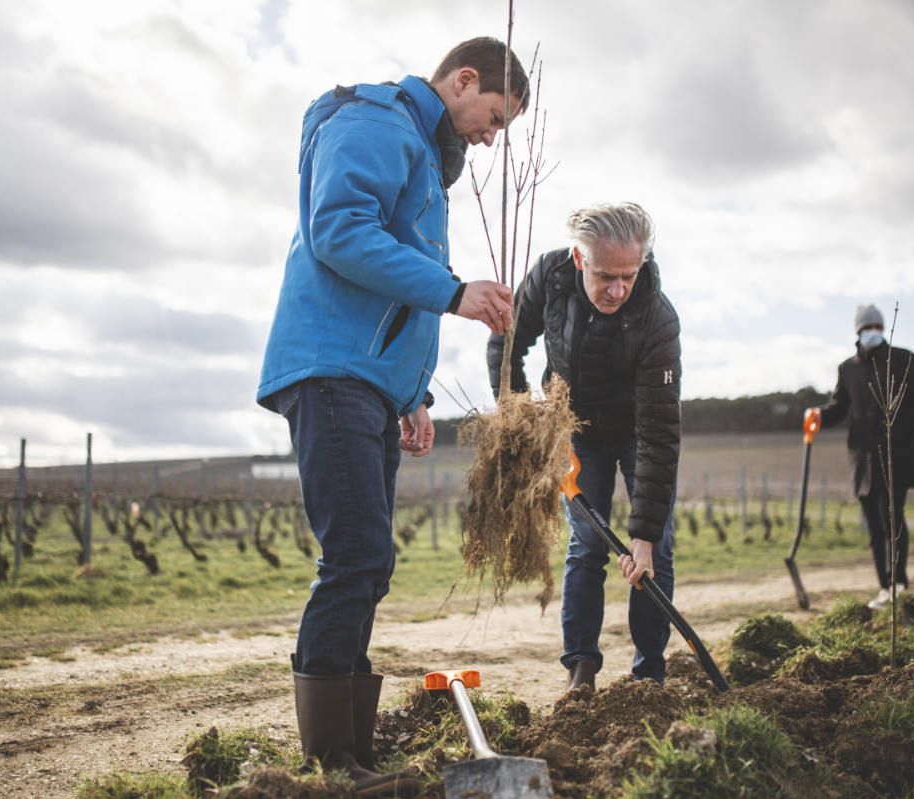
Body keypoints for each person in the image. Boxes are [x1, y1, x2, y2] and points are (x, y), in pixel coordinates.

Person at [256, 38, 527, 796]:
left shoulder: (421, 157)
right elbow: (338, 230)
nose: (491, 136)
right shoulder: (374, 120)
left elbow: (390, 281)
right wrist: (454, 291)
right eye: (494, 117)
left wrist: (413, 394)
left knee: (369, 563)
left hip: (366, 382)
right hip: (330, 368)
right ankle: (329, 765)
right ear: (464, 81)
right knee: (357, 554)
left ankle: (350, 753)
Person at [487, 202, 681, 692]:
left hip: (639, 430)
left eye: (628, 276)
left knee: (655, 547)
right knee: (588, 544)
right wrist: (519, 413)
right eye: (605, 276)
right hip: (577, 428)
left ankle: (649, 673)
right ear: (579, 260)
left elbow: (659, 431)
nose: (617, 289)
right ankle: (581, 668)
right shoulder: (551, 277)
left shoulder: (658, 318)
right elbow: (509, 341)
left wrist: (643, 533)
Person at [810, 305, 914, 609]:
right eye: (866, 327)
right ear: (857, 332)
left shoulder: (904, 360)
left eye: (877, 326)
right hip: (862, 461)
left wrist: (903, 426)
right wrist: (818, 415)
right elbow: (840, 407)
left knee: (892, 520)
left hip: (897, 456)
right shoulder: (848, 369)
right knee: (873, 527)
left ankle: (900, 584)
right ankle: (884, 587)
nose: (872, 331)